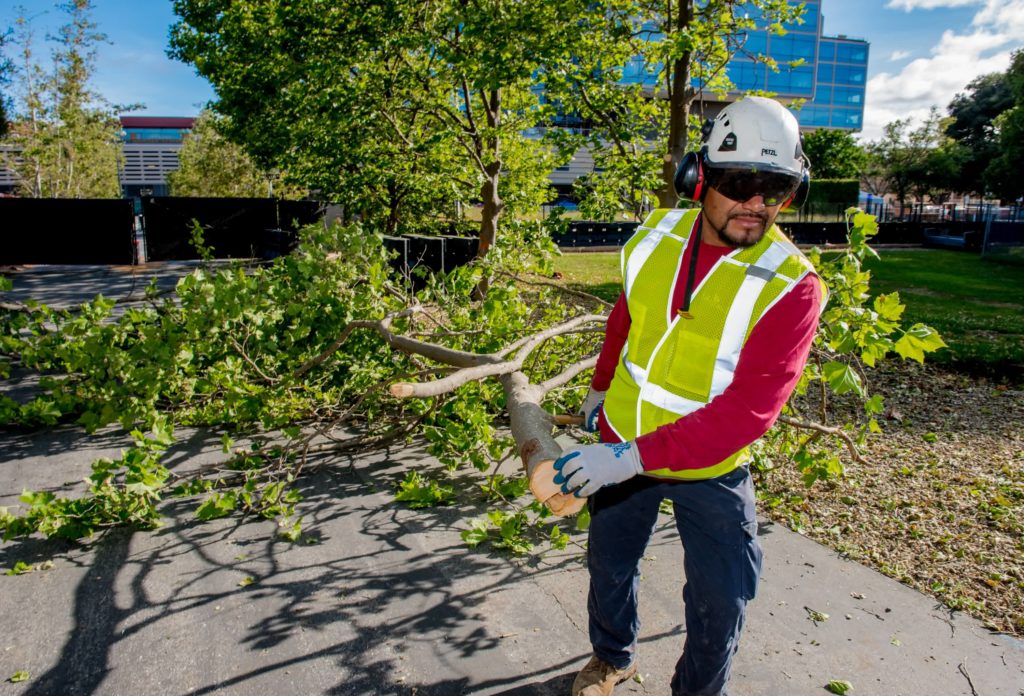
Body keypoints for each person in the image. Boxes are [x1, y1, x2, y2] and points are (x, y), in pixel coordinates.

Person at [553, 96, 828, 696]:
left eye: (775, 190)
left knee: (722, 597)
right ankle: (611, 656)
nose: (756, 204)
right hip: (623, 433)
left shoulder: (793, 287)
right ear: (698, 177)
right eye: (739, 183)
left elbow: (745, 415)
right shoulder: (656, 235)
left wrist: (625, 458)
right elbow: (626, 315)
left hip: (711, 463)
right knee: (609, 564)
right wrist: (601, 388)